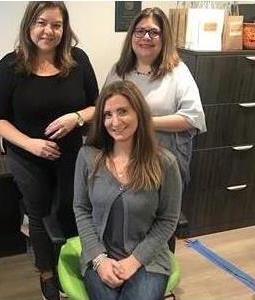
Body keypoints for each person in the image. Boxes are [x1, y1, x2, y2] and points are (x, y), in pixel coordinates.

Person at [0, 2, 98, 299]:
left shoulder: (78, 61)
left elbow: (96, 105)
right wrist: (31, 144)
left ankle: (74, 264)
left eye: (56, 24)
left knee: (73, 209)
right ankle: (47, 271)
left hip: (71, 153)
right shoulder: (10, 65)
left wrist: (76, 117)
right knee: (38, 212)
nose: (48, 30)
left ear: (65, 28)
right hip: (26, 155)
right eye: (41, 23)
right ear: (29, 26)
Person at [73, 80, 182, 300]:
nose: (115, 122)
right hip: (99, 256)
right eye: (107, 114)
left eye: (123, 111)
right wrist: (99, 259)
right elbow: (81, 209)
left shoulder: (165, 163)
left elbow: (168, 220)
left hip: (147, 259)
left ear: (139, 113)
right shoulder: (88, 157)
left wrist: (134, 261)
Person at [105, 7, 206, 187]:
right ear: (132, 36)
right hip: (123, 159)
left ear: (164, 37)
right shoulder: (118, 71)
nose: (146, 37)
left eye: (153, 32)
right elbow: (103, 112)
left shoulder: (177, 71)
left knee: (162, 212)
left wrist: (143, 122)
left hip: (163, 160)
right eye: (140, 31)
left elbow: (193, 118)